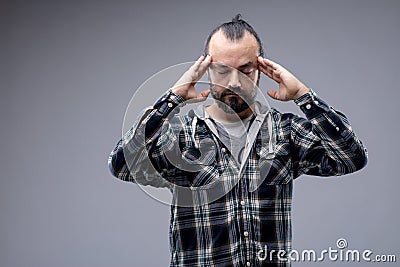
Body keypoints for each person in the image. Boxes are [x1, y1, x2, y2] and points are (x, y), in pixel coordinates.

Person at [108, 14, 368, 267]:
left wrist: (303, 95)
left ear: (261, 68)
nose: (234, 82)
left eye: (245, 69)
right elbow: (121, 165)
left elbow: (351, 158)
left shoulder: (285, 131)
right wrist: (171, 101)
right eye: (222, 71)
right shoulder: (181, 135)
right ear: (206, 70)